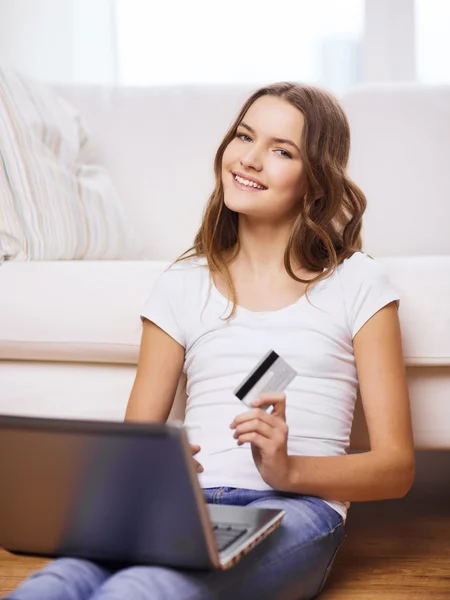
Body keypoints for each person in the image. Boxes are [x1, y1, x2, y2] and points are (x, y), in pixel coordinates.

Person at [7, 82, 415, 600]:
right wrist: (159, 470)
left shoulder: (359, 283)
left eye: (281, 150)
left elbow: (397, 469)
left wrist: (287, 469)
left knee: (144, 588)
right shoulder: (182, 283)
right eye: (244, 136)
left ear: (315, 184)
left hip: (295, 507)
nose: (249, 159)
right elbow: (137, 442)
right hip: (186, 504)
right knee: (58, 581)